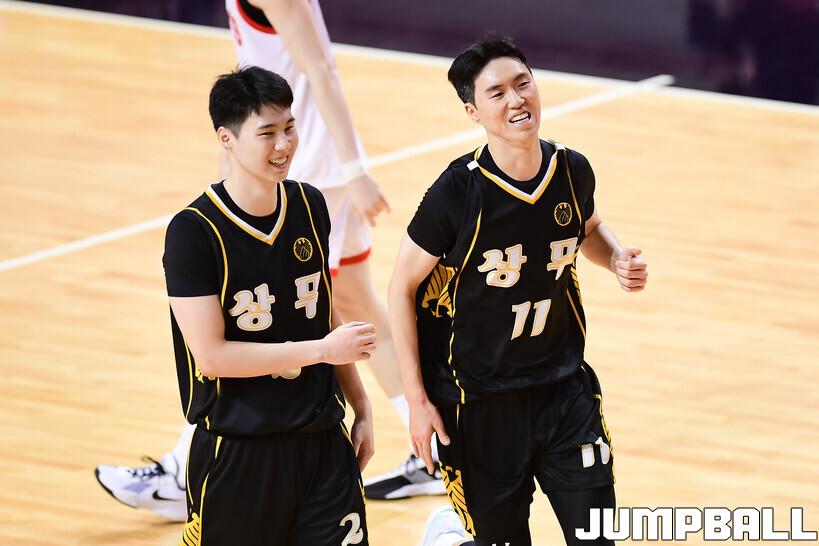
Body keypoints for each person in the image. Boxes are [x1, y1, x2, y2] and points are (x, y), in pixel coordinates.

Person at [95, 0, 442, 520]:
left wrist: (353, 169)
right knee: (353, 301)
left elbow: (320, 68)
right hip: (296, 161)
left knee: (281, 315)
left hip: (311, 169)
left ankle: (181, 469)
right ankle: (430, 443)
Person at [389, 36, 649, 546]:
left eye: (523, 83)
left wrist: (617, 256)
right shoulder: (457, 192)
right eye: (497, 93)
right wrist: (417, 402)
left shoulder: (571, 169)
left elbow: (588, 228)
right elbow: (401, 287)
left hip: (563, 391)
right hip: (478, 403)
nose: (516, 100)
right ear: (473, 112)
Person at [172, 66, 372, 544]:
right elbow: (212, 356)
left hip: (322, 444)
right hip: (240, 454)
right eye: (267, 133)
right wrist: (321, 352)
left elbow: (321, 310)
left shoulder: (309, 205)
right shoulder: (193, 232)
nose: (284, 145)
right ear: (227, 138)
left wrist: (361, 404)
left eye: (289, 128)